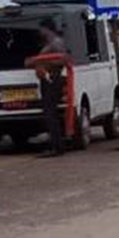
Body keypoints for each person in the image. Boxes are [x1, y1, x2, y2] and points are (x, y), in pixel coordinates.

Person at [26, 17, 69, 157]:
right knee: (49, 113)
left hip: (53, 79)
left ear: (46, 29)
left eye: (41, 29)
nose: (40, 32)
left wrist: (41, 61)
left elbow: (63, 60)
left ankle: (57, 147)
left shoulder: (56, 43)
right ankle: (56, 145)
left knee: (51, 113)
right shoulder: (50, 43)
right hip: (47, 78)